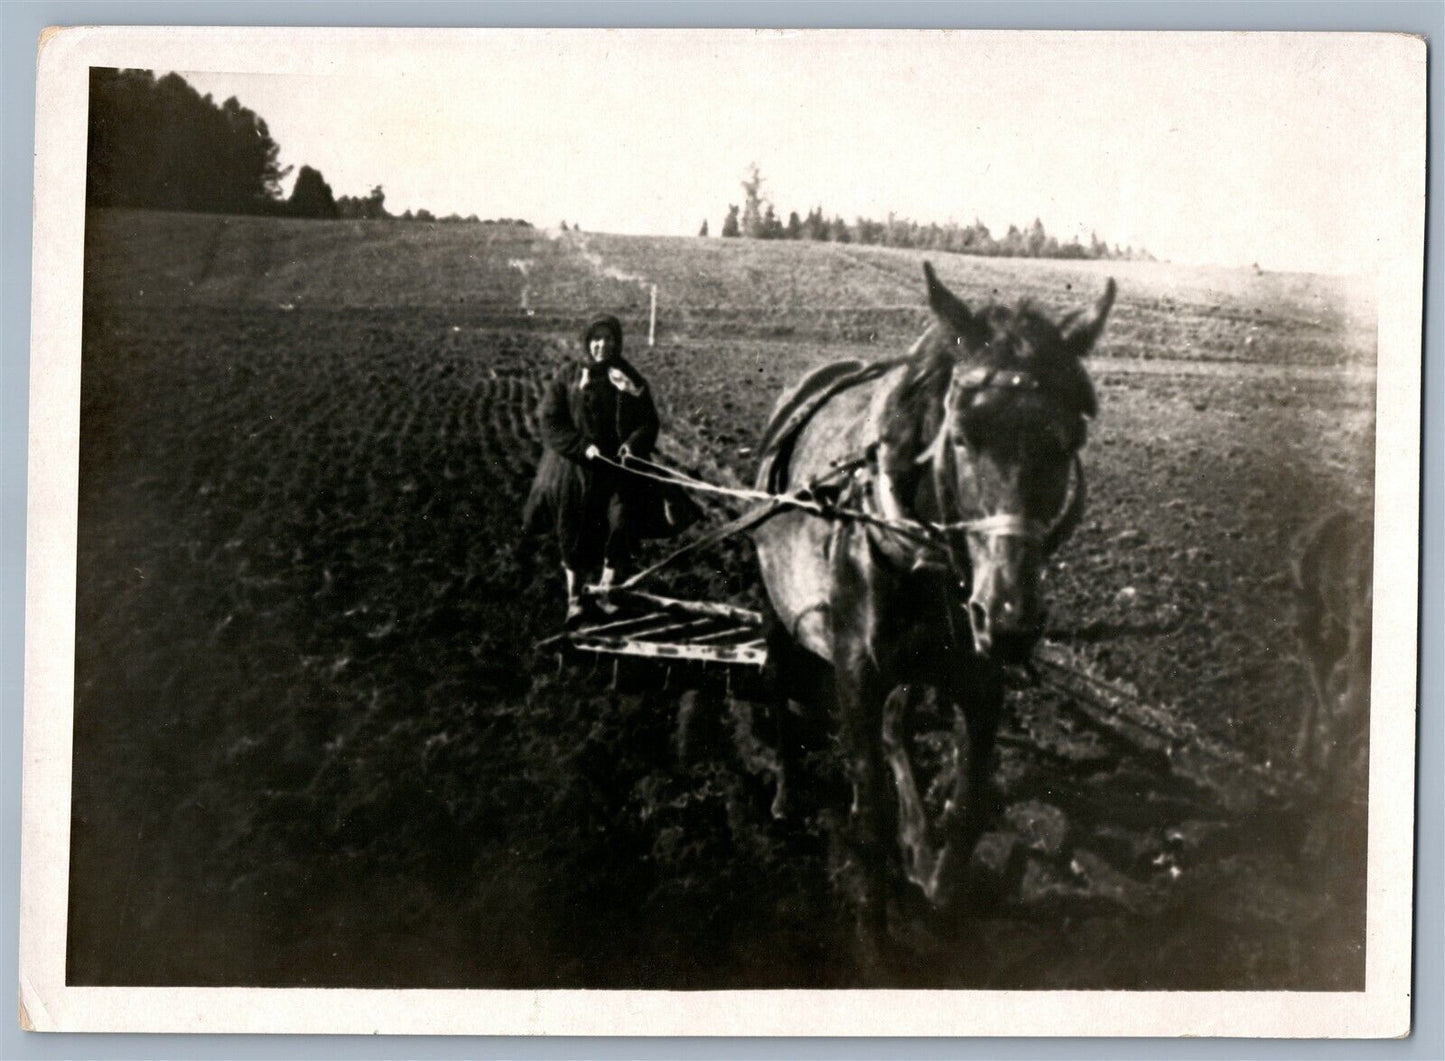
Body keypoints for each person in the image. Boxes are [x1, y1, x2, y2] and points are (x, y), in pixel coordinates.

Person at [523, 315, 661, 623]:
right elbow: (550, 422)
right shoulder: (568, 377)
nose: (603, 345)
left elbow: (648, 422)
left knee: (622, 521)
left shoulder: (630, 378)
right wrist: (582, 446)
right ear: (587, 342)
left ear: (617, 342)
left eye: (609, 339)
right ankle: (576, 598)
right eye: (597, 339)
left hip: (616, 469)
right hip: (574, 468)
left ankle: (608, 589)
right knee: (573, 531)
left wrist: (633, 444)